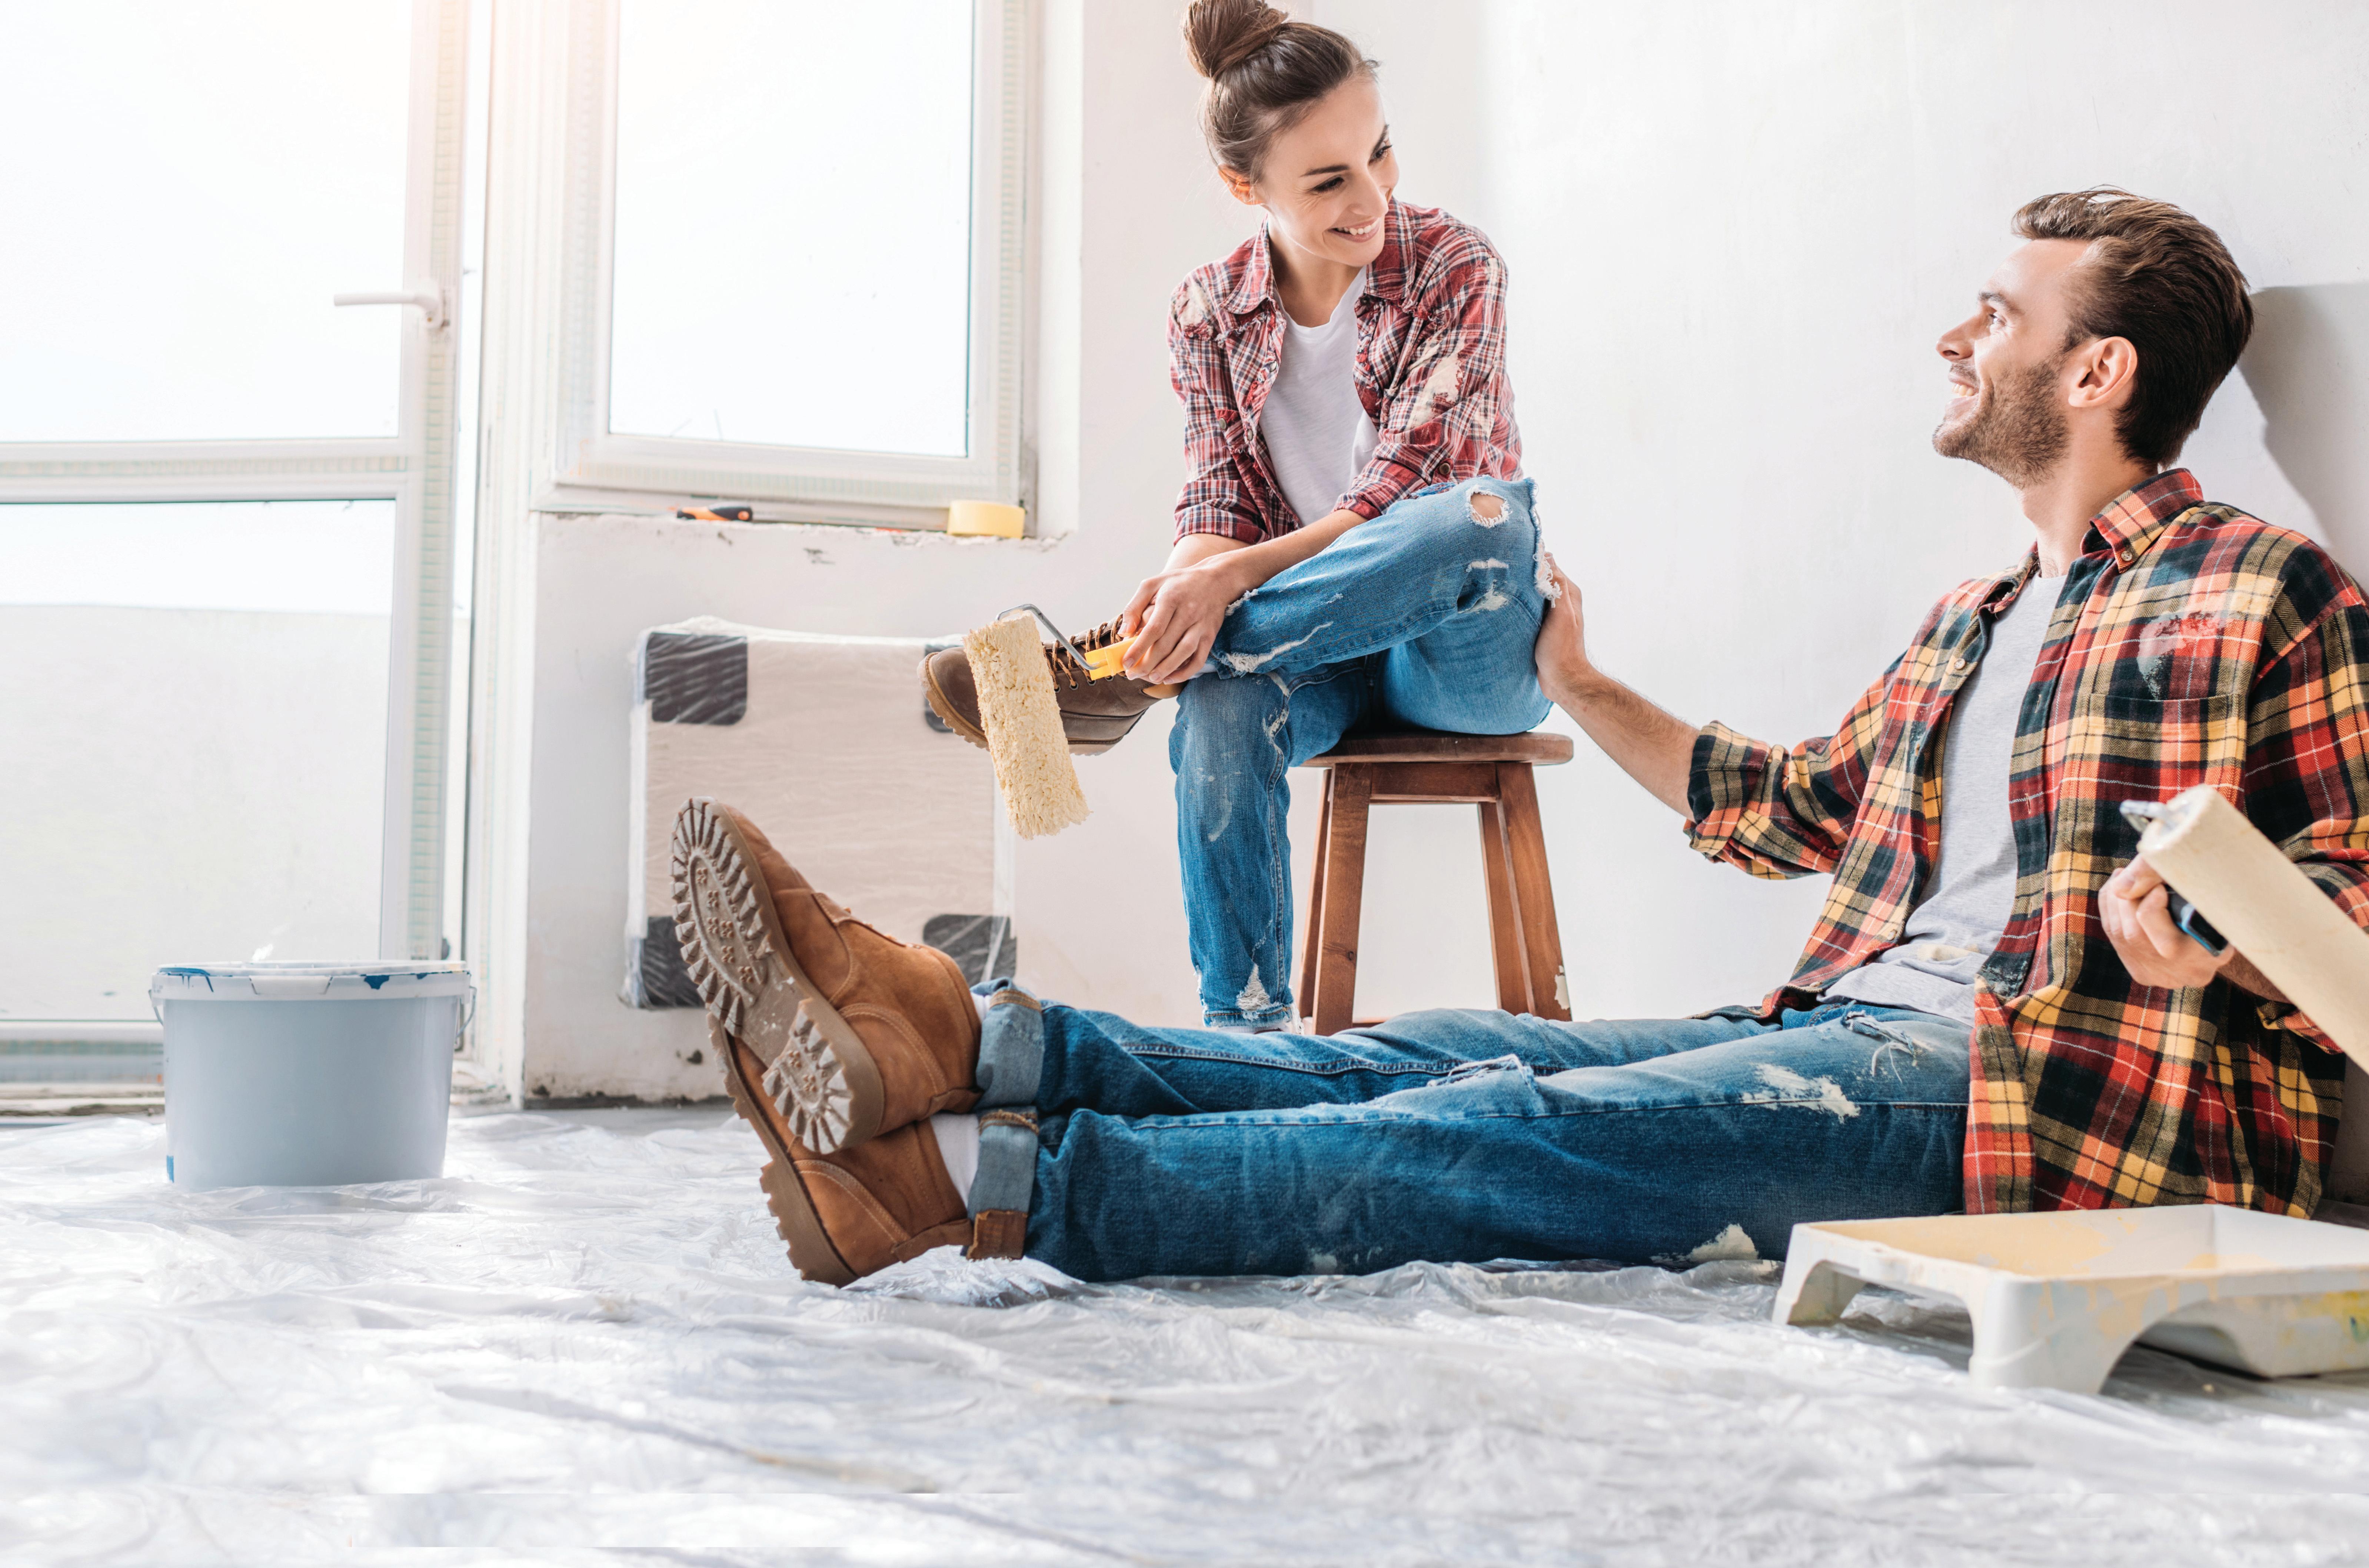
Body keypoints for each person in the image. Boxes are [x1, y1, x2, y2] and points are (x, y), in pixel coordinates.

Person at [709, 188, 2369, 1285]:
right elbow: (1785, 808)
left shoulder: (2264, 594)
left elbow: (2354, 896)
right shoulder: (1978, 618)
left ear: (2095, 372)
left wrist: (2219, 944)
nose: (1956, 337)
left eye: (1997, 316)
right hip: (1863, 1025)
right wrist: (1575, 678)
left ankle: (957, 1183)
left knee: (1513, 1128)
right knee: (1443, 1048)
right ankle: (967, 1042)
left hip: (2047, 1100)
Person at [920, 0, 1548, 1030]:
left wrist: (1223, 591)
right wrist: (1182, 587)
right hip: (1318, 652)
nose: (1373, 195)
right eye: (1328, 180)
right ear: (1242, 187)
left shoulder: (1454, 265)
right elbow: (1220, 496)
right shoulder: (1208, 310)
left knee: (1479, 520)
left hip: (1462, 651)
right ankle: (1245, 1040)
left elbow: (1407, 488)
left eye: (1379, 151)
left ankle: (1125, 673)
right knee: (1217, 699)